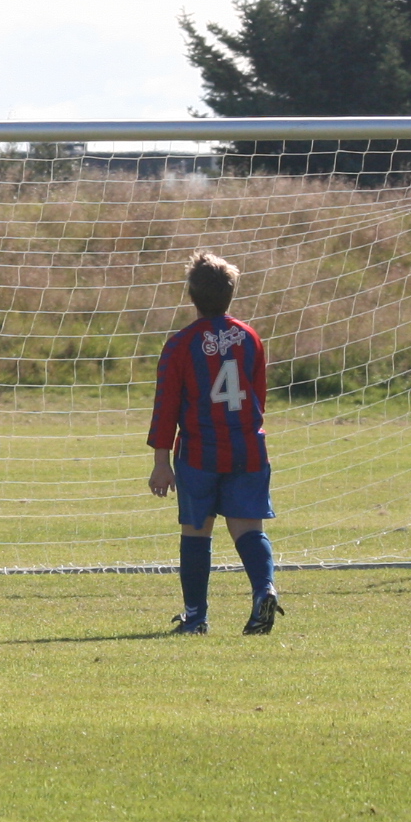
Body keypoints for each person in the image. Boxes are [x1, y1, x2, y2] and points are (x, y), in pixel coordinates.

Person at [146, 251, 282, 636]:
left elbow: (166, 407)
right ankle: (264, 589)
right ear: (231, 292)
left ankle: (195, 617)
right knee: (248, 527)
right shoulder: (250, 337)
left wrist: (161, 462)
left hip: (200, 453)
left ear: (191, 294)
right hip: (247, 448)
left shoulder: (181, 345)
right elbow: (259, 398)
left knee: (196, 531)